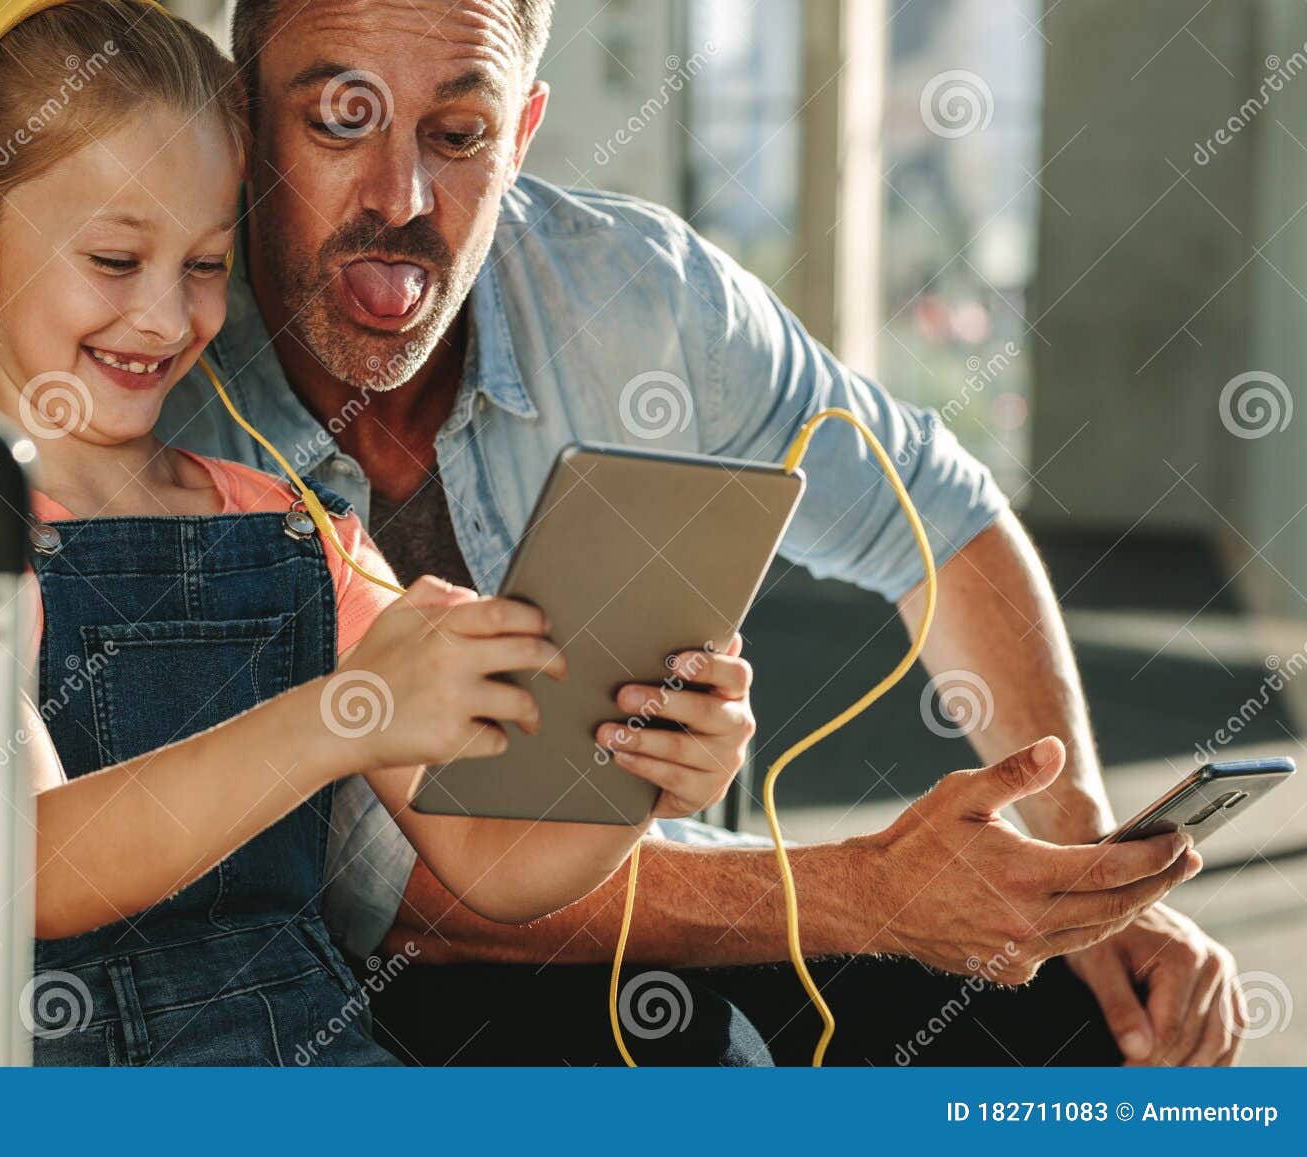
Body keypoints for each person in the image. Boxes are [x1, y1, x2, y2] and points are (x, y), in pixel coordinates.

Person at [154, 0, 1242, 1066]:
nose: (400, 197)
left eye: (458, 135)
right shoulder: (151, 375)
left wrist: (1071, 861)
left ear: (521, 134)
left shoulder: (643, 297)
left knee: (1081, 1023)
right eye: (341, 120)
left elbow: (941, 520)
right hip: (349, 968)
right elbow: (404, 897)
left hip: (690, 889)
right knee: (678, 1054)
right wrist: (871, 894)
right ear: (245, 121)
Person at [0, 0, 756, 1066]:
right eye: (117, 260)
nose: (166, 318)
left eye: (206, 264)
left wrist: (636, 777)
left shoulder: (292, 525)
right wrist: (341, 716)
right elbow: (40, 865)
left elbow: (497, 869)